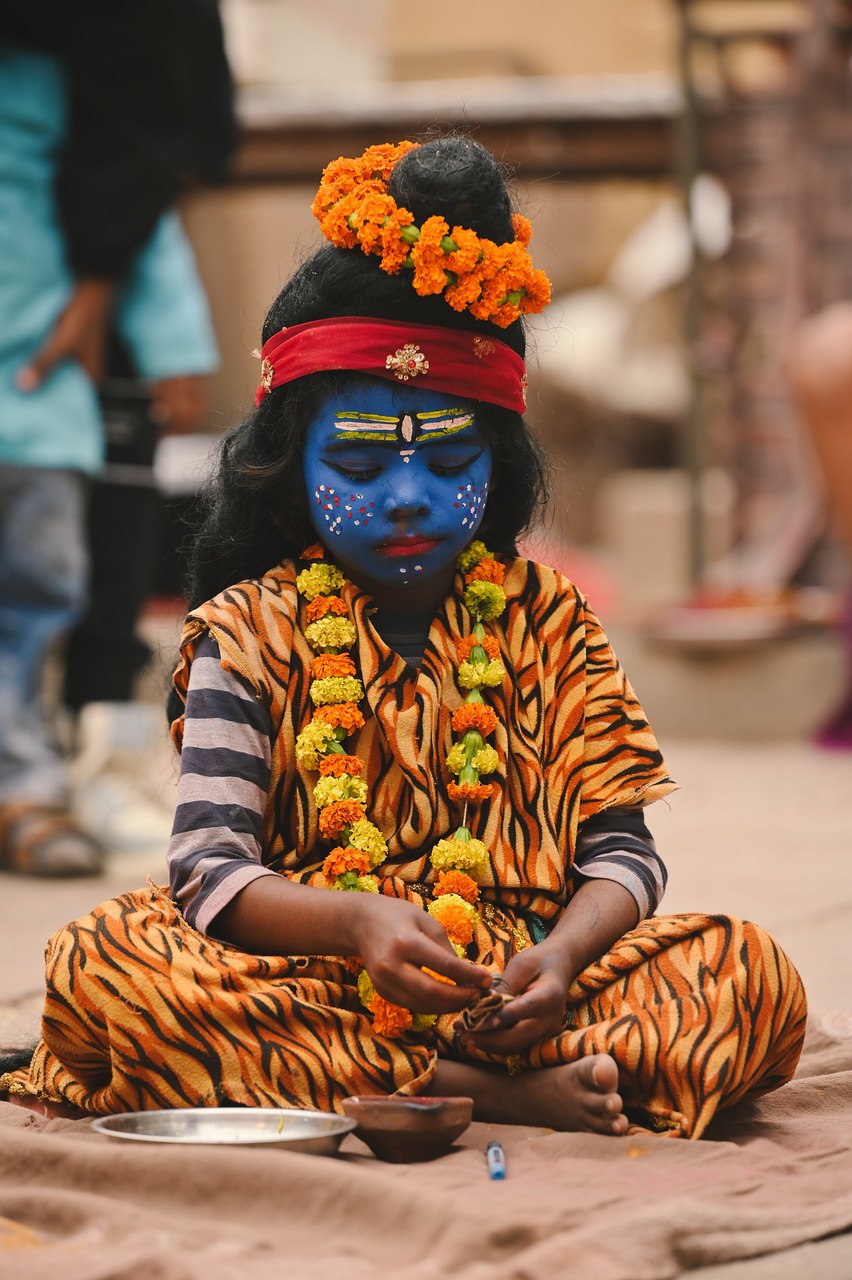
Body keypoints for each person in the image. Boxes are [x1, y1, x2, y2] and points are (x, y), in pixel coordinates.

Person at [0, 138, 807, 1138]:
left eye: (451, 458)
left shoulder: (551, 619)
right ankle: (493, 1092)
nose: (411, 499)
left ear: (498, 461)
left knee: (748, 973)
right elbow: (209, 869)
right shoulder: (247, 629)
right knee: (104, 960)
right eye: (362, 462)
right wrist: (354, 920)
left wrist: (557, 959)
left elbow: (623, 854)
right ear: (288, 467)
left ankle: (450, 1068)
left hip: (525, 988)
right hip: (319, 975)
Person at [0, 5, 232, 874]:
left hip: (37, 411)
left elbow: (138, 211)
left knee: (33, 603)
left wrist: (173, 345)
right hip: (40, 406)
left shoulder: (60, 84)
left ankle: (28, 788)